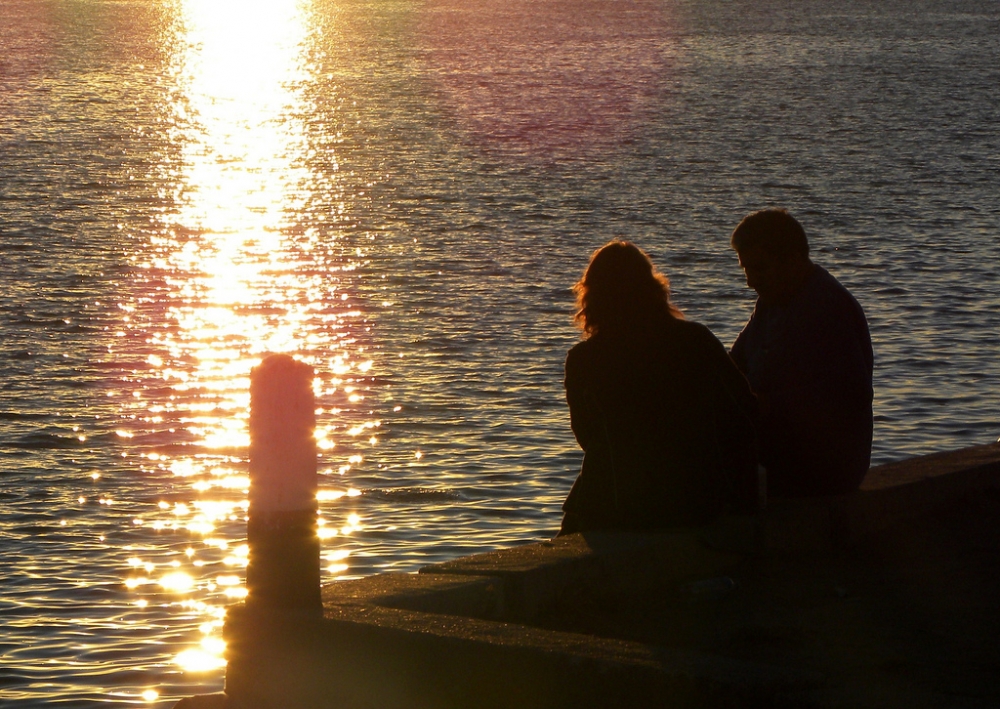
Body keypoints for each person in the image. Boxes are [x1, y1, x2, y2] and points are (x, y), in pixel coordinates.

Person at [560, 240, 758, 535]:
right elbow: (744, 410)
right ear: (654, 289)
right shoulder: (696, 340)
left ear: (592, 298)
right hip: (696, 499)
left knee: (588, 491)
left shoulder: (583, 360)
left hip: (619, 504)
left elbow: (587, 437)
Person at [729, 208, 873, 497]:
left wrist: (767, 405)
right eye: (746, 269)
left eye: (760, 268)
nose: (750, 281)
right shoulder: (773, 300)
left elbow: (846, 394)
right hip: (779, 448)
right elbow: (735, 363)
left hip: (821, 465)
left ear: (793, 260)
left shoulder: (828, 307)